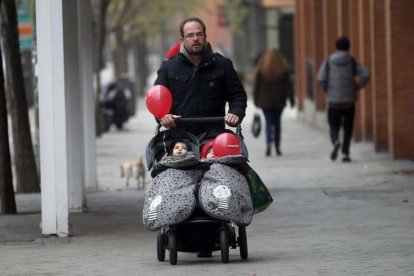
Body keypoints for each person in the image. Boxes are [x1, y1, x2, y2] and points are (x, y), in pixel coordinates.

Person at [154, 17, 247, 136]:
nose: (195, 39)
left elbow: (238, 95)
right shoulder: (168, 67)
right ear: (182, 40)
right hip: (179, 139)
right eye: (190, 35)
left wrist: (235, 113)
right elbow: (157, 98)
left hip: (214, 137)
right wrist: (163, 116)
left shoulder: (223, 65)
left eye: (199, 34)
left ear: (205, 36)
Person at [317, 36, 370, 162]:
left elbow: (321, 78)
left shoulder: (329, 60)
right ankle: (345, 153)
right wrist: (357, 86)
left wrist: (328, 90)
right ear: (348, 47)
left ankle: (336, 141)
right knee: (348, 127)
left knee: (333, 125)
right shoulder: (352, 61)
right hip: (349, 101)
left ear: (336, 46)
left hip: (334, 101)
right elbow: (366, 74)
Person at [253, 48, 294, 157]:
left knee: (268, 123)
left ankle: (268, 145)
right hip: (279, 100)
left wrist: (256, 100)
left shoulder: (262, 69)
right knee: (277, 124)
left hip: (265, 101)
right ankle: (277, 146)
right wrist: (291, 99)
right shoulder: (283, 69)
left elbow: (257, 86)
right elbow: (288, 86)